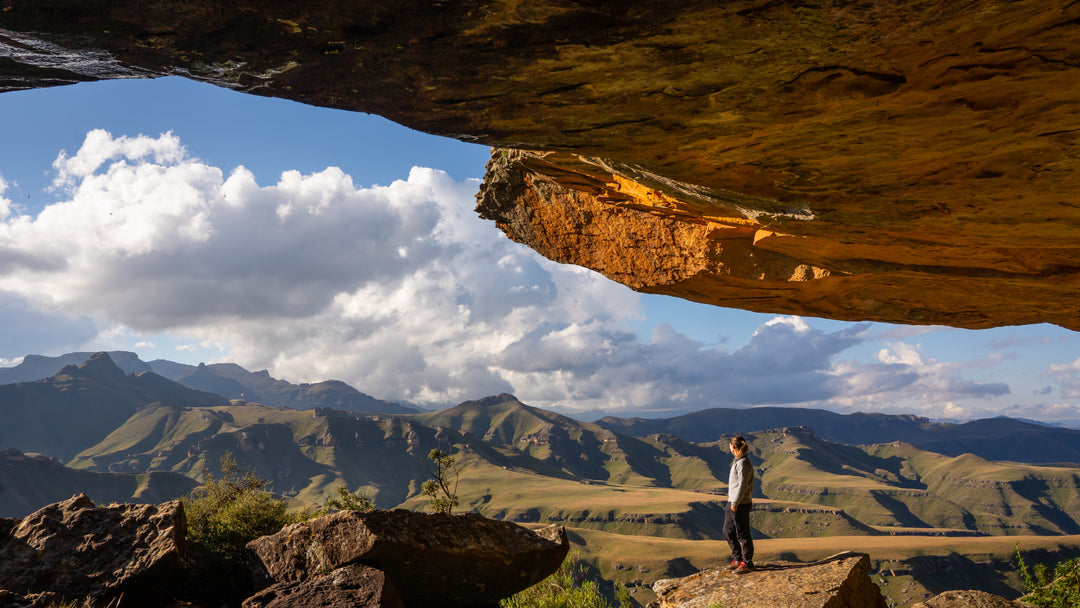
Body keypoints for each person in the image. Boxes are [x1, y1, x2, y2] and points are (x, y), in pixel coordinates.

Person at [724, 435, 755, 574]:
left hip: (740, 503)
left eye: (730, 446)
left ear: (733, 447)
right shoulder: (738, 461)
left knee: (742, 534)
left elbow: (742, 484)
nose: (729, 448)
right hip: (732, 501)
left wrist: (735, 502)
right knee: (728, 531)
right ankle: (737, 559)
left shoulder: (743, 463)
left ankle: (747, 562)